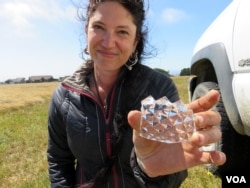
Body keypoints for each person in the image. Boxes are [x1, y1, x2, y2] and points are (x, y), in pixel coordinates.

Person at [47, 0, 226, 187]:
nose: (108, 42)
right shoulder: (64, 96)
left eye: (122, 32)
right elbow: (59, 161)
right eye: (99, 27)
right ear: (86, 31)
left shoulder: (158, 89)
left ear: (135, 42)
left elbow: (174, 166)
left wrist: (149, 170)